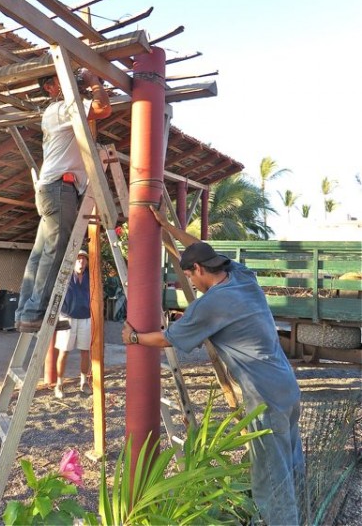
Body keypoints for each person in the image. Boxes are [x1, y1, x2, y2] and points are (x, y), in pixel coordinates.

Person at [122, 205, 305, 526]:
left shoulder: (212, 304)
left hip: (264, 398)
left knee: (270, 477)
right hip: (286, 387)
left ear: (198, 270)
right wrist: (167, 227)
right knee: (289, 460)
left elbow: (167, 339)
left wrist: (134, 338)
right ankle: (301, 509)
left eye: (190, 275)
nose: (189, 282)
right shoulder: (242, 276)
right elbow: (203, 248)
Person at [15, 69, 111, 333]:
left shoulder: (61, 111)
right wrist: (93, 82)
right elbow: (102, 108)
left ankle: (25, 313)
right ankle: (35, 313)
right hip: (59, 189)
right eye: (63, 77)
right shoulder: (60, 108)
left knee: (40, 254)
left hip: (53, 189)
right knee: (55, 251)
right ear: (50, 88)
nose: (72, 81)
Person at [54, 249, 92, 399]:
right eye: (78, 259)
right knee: (64, 351)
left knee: (85, 351)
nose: (81, 261)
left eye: (84, 259)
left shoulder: (91, 276)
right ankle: (59, 383)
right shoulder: (64, 275)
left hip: (86, 317)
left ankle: (84, 382)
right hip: (67, 317)